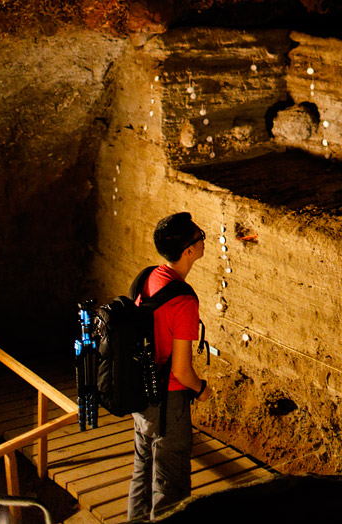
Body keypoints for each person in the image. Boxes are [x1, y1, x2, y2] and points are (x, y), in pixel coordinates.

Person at [127, 212, 212, 521]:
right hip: (169, 402)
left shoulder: (147, 277)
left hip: (140, 392)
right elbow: (181, 371)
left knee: (142, 472)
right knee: (171, 487)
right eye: (199, 235)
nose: (204, 239)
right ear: (188, 251)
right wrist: (201, 389)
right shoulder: (184, 301)